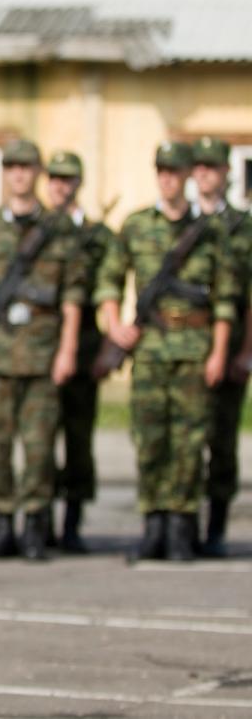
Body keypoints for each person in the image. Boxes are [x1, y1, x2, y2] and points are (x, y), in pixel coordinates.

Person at [97, 142, 238, 562]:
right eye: (161, 171)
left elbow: (227, 299)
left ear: (188, 176)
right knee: (150, 437)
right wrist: (114, 323)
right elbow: (109, 278)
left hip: (195, 348)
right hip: (151, 349)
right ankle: (153, 521)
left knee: (190, 440)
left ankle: (181, 524)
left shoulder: (211, 231)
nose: (167, 179)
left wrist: (218, 353)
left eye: (175, 172)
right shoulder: (137, 225)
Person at [0, 139, 84, 562]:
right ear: (4, 174)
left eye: (26, 167)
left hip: (43, 354)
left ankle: (35, 527)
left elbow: (72, 297)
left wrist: (67, 351)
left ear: (38, 173)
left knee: (41, 447)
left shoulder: (58, 229)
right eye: (12, 167)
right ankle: (3, 525)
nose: (19, 175)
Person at [43, 151, 113, 554]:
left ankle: (72, 522)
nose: (60, 186)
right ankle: (41, 520)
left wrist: (105, 347)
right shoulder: (35, 232)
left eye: (68, 179)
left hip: (83, 348)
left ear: (79, 184)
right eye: (55, 178)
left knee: (78, 440)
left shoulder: (97, 236)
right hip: (38, 348)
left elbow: (109, 291)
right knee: (39, 442)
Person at [192, 136, 251, 557]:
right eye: (200, 166)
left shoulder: (244, 228)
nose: (205, 174)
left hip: (230, 351)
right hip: (183, 348)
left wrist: (246, 352)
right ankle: (182, 528)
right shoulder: (181, 224)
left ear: (227, 172)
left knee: (222, 442)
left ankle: (215, 527)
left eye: (213, 166)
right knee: (183, 442)